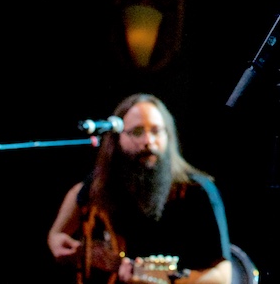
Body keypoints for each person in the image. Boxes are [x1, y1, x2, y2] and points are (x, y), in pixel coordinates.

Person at [47, 93, 233, 283]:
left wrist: (169, 281)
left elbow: (223, 275)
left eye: (156, 131)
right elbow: (79, 191)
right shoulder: (105, 182)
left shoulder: (196, 191)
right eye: (137, 132)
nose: (148, 141)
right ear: (117, 138)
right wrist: (56, 236)